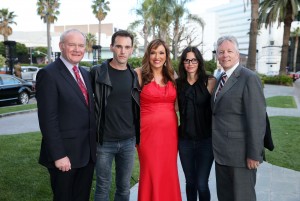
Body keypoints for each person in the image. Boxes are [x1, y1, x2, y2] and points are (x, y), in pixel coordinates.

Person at [36, 29, 96, 201]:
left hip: (87, 153)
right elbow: (48, 119)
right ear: (61, 46)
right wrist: (59, 155)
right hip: (65, 156)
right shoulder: (48, 74)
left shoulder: (85, 73)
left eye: (81, 45)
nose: (77, 49)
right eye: (72, 45)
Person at [211, 35, 266, 201]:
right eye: (221, 52)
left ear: (237, 54)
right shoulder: (220, 78)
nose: (225, 55)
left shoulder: (249, 78)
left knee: (243, 197)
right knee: (225, 197)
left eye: (229, 51)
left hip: (241, 155)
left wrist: (254, 154)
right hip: (221, 153)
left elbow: (257, 119)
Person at [90, 30, 140, 201]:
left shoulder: (133, 75)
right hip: (104, 141)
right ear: (111, 47)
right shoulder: (97, 72)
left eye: (127, 47)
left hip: (128, 141)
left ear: (132, 49)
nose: (122, 51)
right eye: (118, 46)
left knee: (124, 187)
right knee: (103, 186)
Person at [135, 39, 182, 201]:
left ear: (166, 56)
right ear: (148, 54)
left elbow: (177, 104)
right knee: (150, 171)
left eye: (161, 52)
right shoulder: (138, 74)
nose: (157, 56)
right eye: (153, 52)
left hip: (169, 132)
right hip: (146, 133)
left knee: (168, 171)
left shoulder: (172, 75)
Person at [176, 46, 216, 201]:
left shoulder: (210, 81)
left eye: (193, 60)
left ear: (199, 61)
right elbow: (172, 107)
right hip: (185, 141)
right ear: (183, 63)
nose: (190, 63)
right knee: (190, 182)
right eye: (187, 60)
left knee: (201, 184)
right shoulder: (177, 83)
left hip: (206, 141)